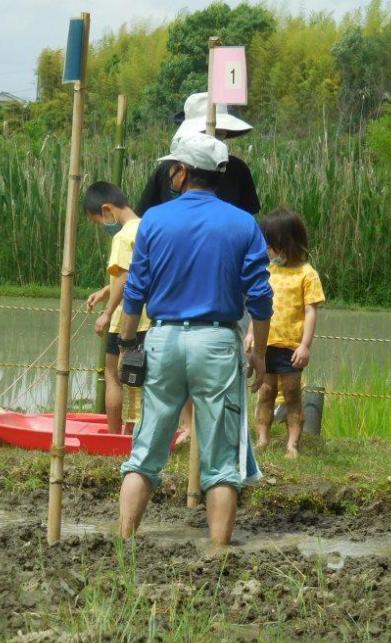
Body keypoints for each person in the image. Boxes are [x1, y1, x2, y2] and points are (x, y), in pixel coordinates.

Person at [117, 133, 272, 546]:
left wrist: (128, 343)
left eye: (173, 168)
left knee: (146, 450)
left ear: (182, 172)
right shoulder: (244, 224)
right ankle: (218, 554)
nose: (170, 174)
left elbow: (136, 289)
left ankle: (123, 541)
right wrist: (258, 352)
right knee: (221, 461)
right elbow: (260, 295)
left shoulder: (154, 220)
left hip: (163, 338)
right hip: (219, 342)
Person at [246, 209, 325, 459]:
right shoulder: (267, 271)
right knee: (266, 392)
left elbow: (311, 311)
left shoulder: (307, 274)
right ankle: (262, 439)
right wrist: (250, 333)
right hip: (266, 343)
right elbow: (257, 306)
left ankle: (292, 444)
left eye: (271, 245)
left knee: (292, 393)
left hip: (291, 346)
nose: (268, 250)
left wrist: (305, 346)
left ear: (285, 244)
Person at [83, 181, 151, 435]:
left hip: (126, 318)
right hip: (151, 317)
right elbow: (137, 272)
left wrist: (107, 312)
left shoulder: (123, 237)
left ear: (107, 210)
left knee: (113, 375)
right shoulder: (149, 228)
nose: (102, 227)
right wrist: (105, 290)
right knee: (139, 377)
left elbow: (123, 278)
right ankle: (136, 432)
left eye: (98, 221)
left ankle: (114, 436)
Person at [136, 92, 260, 216]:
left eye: (220, 132)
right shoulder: (168, 169)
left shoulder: (237, 168)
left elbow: (248, 216)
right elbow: (143, 215)